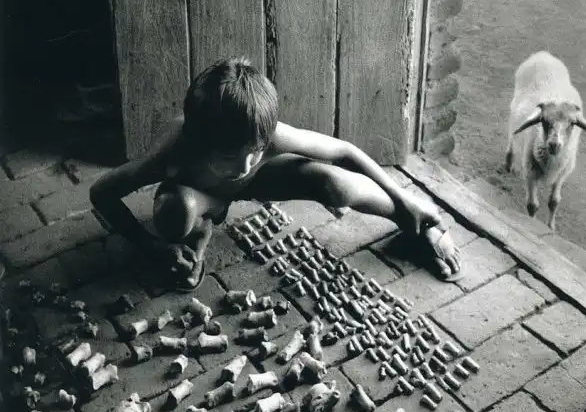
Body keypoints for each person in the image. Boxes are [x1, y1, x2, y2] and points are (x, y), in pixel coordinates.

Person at [90, 57, 461, 291]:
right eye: (229, 159)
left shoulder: (266, 138)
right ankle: (202, 228)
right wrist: (152, 247)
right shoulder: (176, 152)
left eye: (254, 152)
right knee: (175, 213)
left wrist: (403, 200)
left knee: (335, 184)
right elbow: (101, 193)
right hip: (201, 194)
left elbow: (346, 152)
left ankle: (417, 225)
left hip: (261, 183)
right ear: (201, 144)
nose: (243, 166)